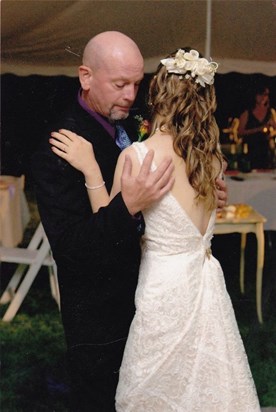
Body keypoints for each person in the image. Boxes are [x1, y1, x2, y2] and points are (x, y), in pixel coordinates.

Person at [50, 47, 259, 411]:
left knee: (158, 386)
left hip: (162, 287)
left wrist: (92, 171)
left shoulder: (138, 156)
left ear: (157, 95)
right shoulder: (211, 159)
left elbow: (107, 217)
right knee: (205, 378)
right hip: (205, 281)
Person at [238, 84, 276, 169]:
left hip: (267, 150)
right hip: (251, 149)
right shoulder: (247, 113)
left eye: (265, 95)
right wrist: (259, 129)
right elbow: (240, 132)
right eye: (261, 94)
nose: (263, 97)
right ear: (255, 96)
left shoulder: (271, 112)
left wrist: (271, 132)